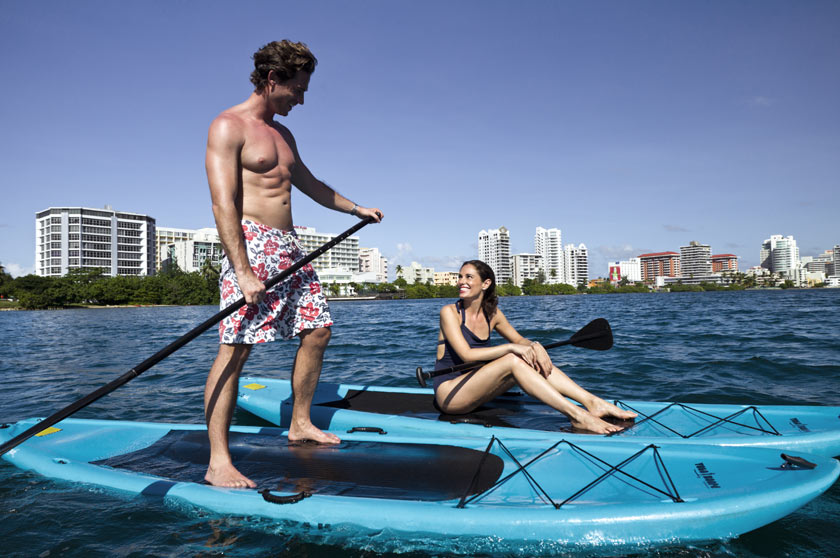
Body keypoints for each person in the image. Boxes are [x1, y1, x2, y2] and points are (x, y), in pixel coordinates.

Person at [204, 40, 383, 488]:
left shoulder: (284, 136)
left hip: (290, 245)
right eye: (297, 90)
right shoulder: (228, 127)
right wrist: (241, 269)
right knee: (235, 347)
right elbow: (222, 203)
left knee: (318, 329)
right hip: (251, 244)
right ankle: (218, 461)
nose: (301, 99)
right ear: (272, 80)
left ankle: (300, 423)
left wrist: (354, 209)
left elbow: (309, 184)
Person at [433, 260, 635, 434]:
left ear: (486, 283)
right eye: (460, 277)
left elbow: (520, 340)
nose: (461, 282)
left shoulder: (492, 314)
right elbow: (466, 354)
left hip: (476, 390)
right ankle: (577, 415)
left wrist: (534, 346)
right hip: (451, 395)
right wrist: (512, 348)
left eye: (468, 277)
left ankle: (592, 402)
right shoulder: (449, 312)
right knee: (513, 359)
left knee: (527, 356)